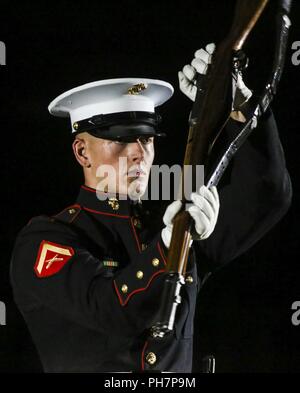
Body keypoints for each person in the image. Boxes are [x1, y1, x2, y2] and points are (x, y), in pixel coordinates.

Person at [10, 44, 291, 373]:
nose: (138, 153)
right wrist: (170, 246)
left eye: (146, 138)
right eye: (121, 139)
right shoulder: (46, 240)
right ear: (82, 152)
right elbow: (112, 308)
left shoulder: (171, 225)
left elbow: (268, 193)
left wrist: (239, 107)